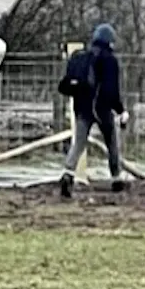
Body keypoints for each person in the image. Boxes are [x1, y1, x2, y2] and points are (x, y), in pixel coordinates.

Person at [55, 21, 126, 195]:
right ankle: (116, 178)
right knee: (111, 143)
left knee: (78, 143)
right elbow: (112, 89)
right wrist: (120, 110)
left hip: (81, 107)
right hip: (101, 108)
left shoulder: (81, 57)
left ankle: (68, 173)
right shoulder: (110, 60)